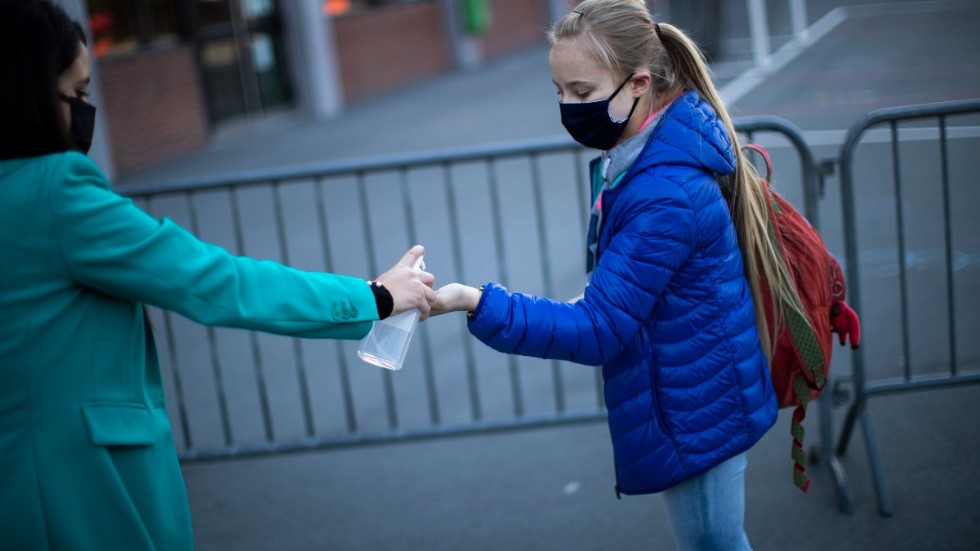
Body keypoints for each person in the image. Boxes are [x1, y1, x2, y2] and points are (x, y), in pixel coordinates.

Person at [0, 1, 435, 549]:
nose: (87, 112)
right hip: (75, 483)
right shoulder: (55, 191)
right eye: (79, 94)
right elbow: (216, 281)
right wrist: (373, 297)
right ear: (32, 94)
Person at [431, 0, 808, 548]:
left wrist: (475, 301)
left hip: (695, 411)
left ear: (637, 84)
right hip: (690, 393)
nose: (567, 106)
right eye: (558, 91)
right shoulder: (636, 157)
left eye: (581, 92)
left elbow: (598, 329)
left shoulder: (664, 195)